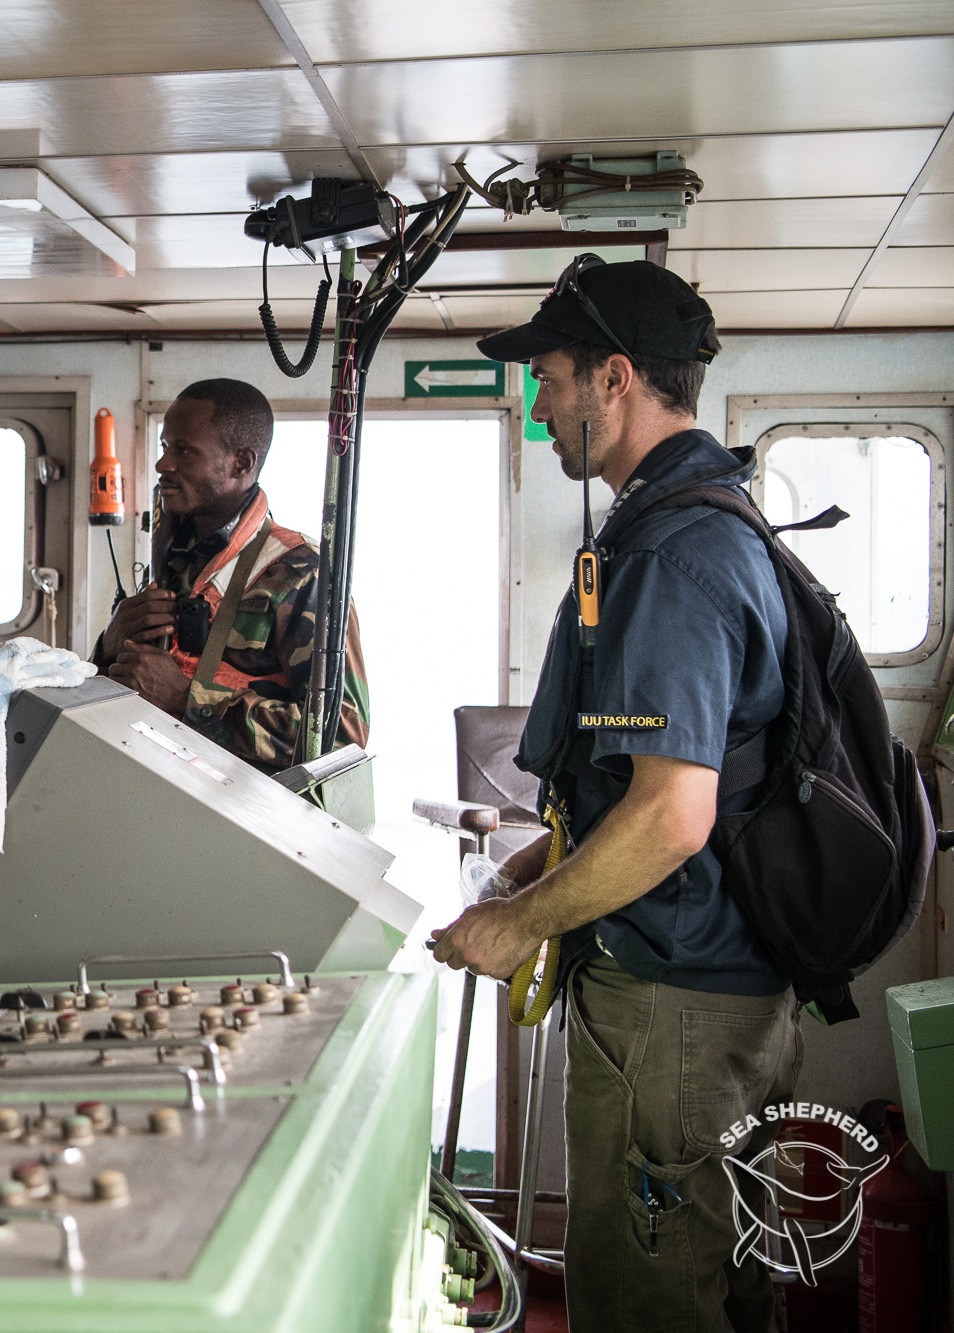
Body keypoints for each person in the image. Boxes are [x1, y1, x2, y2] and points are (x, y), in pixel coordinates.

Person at [430, 258, 800, 1333]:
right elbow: (662, 784)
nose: (538, 408)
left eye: (548, 381)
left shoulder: (671, 556)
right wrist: (536, 867)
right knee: (727, 1289)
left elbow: (671, 815)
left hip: (672, 1008)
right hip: (720, 986)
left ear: (615, 378)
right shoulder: (705, 519)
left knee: (648, 1301)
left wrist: (519, 924)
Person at [92, 377, 368, 774]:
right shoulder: (174, 560)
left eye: (184, 450)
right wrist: (108, 646)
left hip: (248, 805)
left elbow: (341, 734)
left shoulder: (301, 573)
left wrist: (188, 699)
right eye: (165, 447)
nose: (163, 465)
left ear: (242, 463)